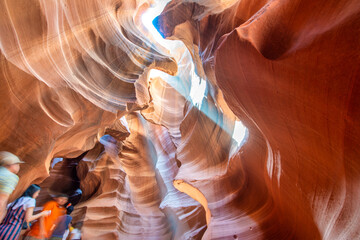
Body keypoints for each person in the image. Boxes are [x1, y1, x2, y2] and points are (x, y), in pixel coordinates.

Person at [0, 151, 24, 222]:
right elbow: (2, 199)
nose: (18, 166)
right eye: (17, 164)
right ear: (10, 164)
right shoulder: (11, 177)